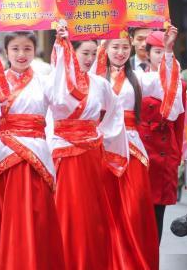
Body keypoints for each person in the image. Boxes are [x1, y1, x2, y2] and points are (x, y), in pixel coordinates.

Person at [95, 26, 183, 269]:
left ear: (132, 47)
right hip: (101, 150)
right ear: (105, 48)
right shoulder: (94, 78)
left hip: (132, 149)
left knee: (133, 211)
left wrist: (167, 50)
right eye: (115, 47)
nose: (121, 52)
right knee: (103, 210)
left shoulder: (141, 79)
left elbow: (170, 91)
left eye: (125, 47)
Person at [48, 32, 128, 269]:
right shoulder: (55, 80)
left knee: (91, 216)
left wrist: (101, 135)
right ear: (71, 52)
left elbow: (115, 112)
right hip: (62, 152)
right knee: (65, 212)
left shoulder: (100, 84)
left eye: (94, 54)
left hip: (91, 155)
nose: (89, 58)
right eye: (85, 53)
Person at [0, 31, 65, 270]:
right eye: (15, 49)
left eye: (27, 49)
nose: (21, 54)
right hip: (6, 156)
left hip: (37, 158)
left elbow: (64, 96)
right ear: (6, 51)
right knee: (7, 217)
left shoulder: (45, 80)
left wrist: (62, 48)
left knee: (38, 216)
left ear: (35, 51)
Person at [136, 31, 186, 243]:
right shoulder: (137, 80)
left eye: (164, 51)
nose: (160, 56)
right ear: (147, 54)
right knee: (137, 211)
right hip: (140, 150)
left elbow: (179, 124)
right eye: (156, 51)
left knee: (158, 214)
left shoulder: (179, 84)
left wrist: (178, 154)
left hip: (164, 155)